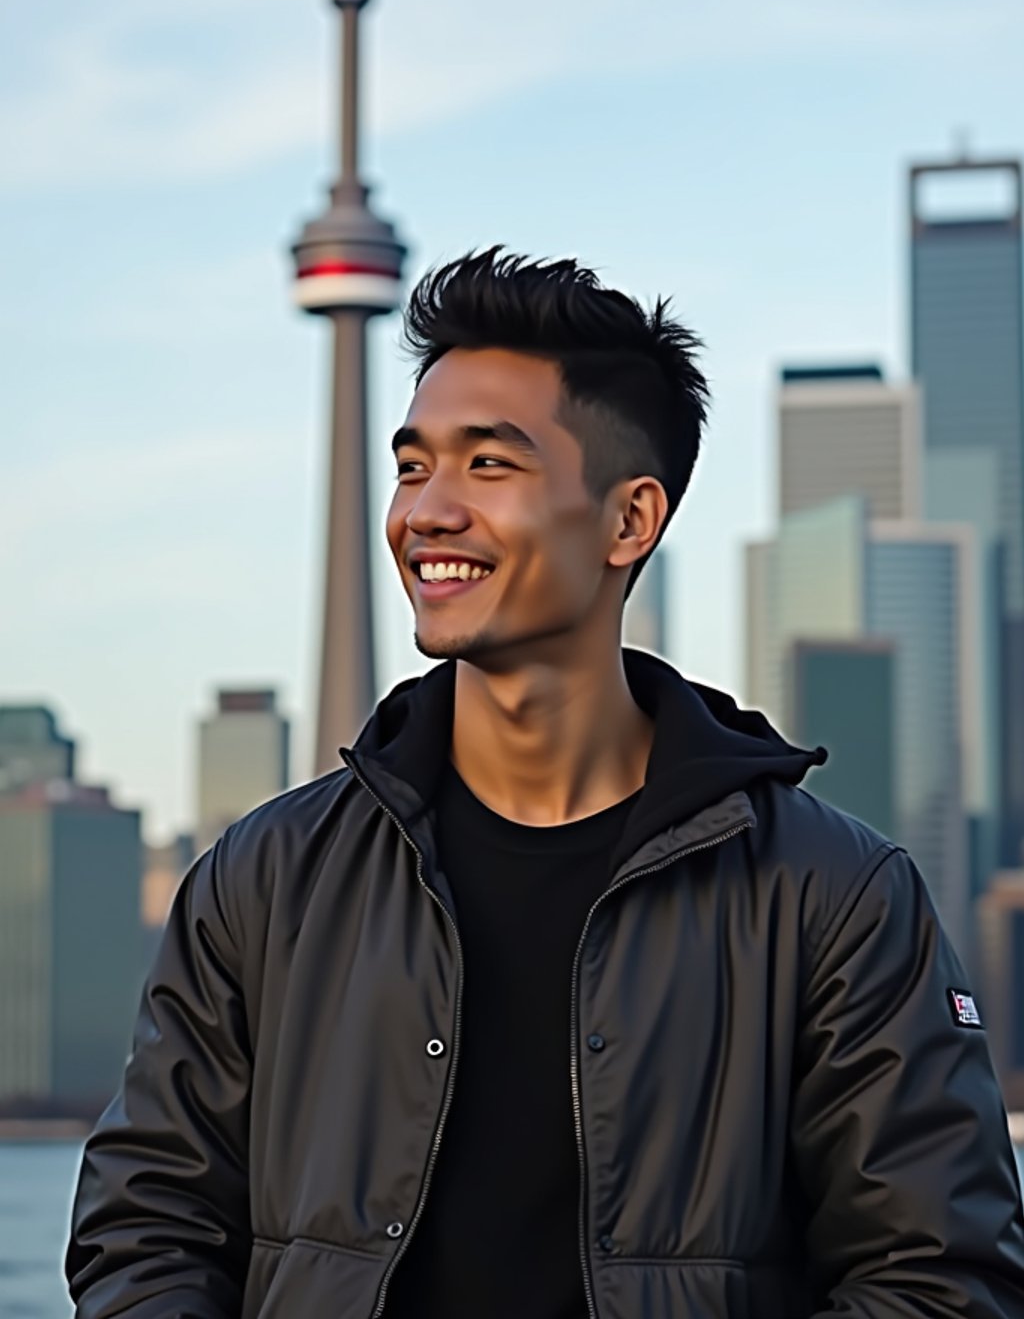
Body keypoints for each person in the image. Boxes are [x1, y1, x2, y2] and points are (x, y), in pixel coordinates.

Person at [67, 248, 1024, 1319]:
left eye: (487, 466)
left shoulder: (831, 898)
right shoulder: (267, 878)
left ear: (630, 521)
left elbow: (935, 1277)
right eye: (412, 465)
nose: (426, 512)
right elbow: (145, 1229)